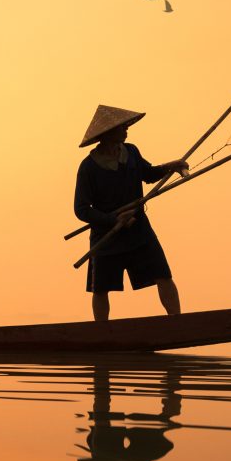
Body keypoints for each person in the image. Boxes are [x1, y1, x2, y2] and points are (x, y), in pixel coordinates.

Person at [72, 105, 189, 321]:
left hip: (138, 229)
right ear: (107, 133)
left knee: (163, 274)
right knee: (100, 288)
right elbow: (81, 209)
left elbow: (149, 173)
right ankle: (101, 332)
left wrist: (172, 166)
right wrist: (112, 219)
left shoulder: (131, 152)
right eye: (122, 127)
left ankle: (177, 321)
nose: (127, 129)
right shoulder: (88, 167)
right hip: (107, 235)